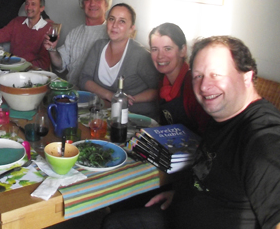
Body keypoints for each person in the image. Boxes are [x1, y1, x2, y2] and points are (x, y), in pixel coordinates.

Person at [102, 36, 280, 229]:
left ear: (246, 77)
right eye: (198, 76)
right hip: (181, 209)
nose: (204, 86)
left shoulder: (263, 139)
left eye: (216, 74)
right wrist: (181, 194)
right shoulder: (222, 115)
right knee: (116, 218)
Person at [79, 3, 160, 119]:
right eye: (112, 19)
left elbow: (158, 89)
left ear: (131, 28)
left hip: (137, 118)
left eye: (122, 21)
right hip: (104, 115)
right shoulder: (98, 46)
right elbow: (84, 79)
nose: (114, 25)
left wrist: (131, 99)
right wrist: (110, 96)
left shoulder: (140, 55)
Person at [44, 0, 111, 87]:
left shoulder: (110, 34)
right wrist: (52, 49)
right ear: (82, 4)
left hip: (97, 96)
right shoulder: (74, 33)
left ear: (106, 4)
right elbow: (60, 64)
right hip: (71, 92)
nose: (92, 3)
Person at [149, 23, 210, 135]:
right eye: (154, 49)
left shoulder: (193, 84)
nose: (160, 56)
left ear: (183, 50)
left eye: (167, 49)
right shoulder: (163, 81)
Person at [0, 0, 51, 70]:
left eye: (33, 4)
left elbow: (44, 62)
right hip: (13, 66)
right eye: (27, 4)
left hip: (31, 70)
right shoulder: (17, 21)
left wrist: (24, 67)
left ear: (41, 8)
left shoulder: (48, 29)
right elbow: (1, 34)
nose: (29, 7)